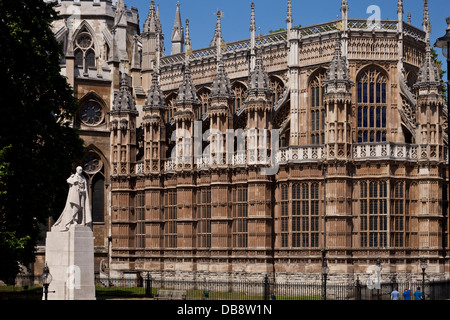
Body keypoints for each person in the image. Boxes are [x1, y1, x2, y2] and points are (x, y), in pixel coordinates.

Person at [52, 166, 92, 231]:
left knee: (82, 208)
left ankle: (82, 222)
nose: (81, 171)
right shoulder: (73, 176)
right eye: (80, 170)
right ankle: (75, 221)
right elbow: (68, 180)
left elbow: (85, 187)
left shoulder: (83, 178)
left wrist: (84, 190)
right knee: (75, 208)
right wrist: (74, 181)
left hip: (82, 195)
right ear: (77, 170)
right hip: (75, 195)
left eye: (81, 170)